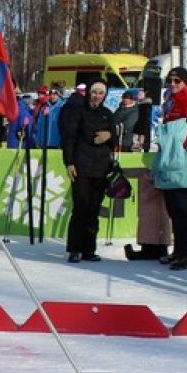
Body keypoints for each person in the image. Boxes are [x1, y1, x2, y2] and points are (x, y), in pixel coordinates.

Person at [153, 66, 187, 271]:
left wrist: (176, 143)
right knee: (174, 208)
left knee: (182, 209)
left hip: (183, 159)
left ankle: (186, 255)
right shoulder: (174, 99)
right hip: (173, 156)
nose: (173, 84)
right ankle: (178, 251)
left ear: (185, 82)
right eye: (170, 81)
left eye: (177, 81)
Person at [60, 81, 117, 262]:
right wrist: (69, 162)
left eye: (101, 93)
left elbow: (115, 137)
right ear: (89, 94)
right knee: (81, 209)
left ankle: (89, 249)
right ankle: (75, 249)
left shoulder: (107, 114)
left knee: (94, 210)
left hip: (101, 168)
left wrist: (110, 136)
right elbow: (69, 138)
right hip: (81, 167)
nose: (97, 96)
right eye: (94, 92)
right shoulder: (78, 112)